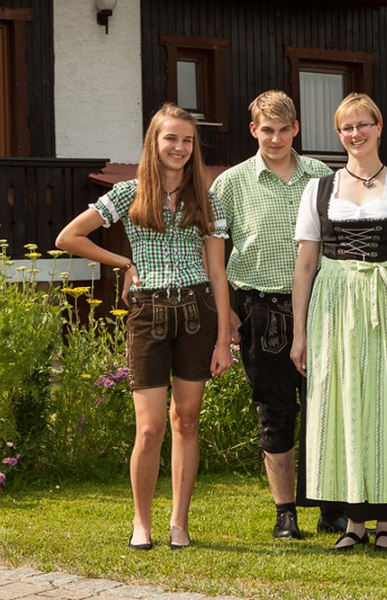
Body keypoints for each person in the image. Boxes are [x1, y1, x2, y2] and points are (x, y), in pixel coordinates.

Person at [56, 103, 232, 551]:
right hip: (148, 315)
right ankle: (141, 522)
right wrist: (123, 263)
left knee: (186, 420)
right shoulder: (129, 193)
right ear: (154, 142)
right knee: (151, 427)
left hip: (196, 311)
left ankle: (179, 523)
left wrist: (223, 340)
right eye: (171, 138)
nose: (179, 147)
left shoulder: (206, 199)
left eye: (187, 140)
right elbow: (68, 237)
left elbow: (217, 273)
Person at [291, 92, 387, 551]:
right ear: (339, 135)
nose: (356, 134)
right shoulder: (319, 188)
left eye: (364, 124)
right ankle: (353, 520)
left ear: (379, 127)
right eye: (347, 127)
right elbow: (304, 263)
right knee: (342, 404)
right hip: (334, 307)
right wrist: (299, 332)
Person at [209, 90, 346, 539]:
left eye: (283, 130)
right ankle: (285, 512)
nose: (275, 138)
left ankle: (332, 507)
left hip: (321, 306)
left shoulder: (323, 177)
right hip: (258, 309)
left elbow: (344, 239)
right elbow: (211, 252)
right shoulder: (230, 184)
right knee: (275, 411)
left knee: (326, 408)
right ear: (254, 130)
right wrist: (225, 311)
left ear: (296, 130)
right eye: (266, 129)